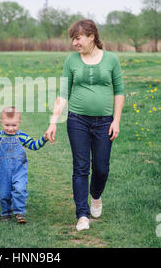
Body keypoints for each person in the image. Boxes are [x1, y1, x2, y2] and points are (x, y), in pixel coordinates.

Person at [45, 19, 125, 231]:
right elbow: (63, 93)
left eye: (78, 38)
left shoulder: (111, 60)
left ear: (91, 36)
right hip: (77, 120)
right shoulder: (71, 61)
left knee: (101, 168)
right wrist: (53, 121)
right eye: (73, 39)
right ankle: (82, 214)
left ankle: (96, 196)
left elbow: (119, 91)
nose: (74, 43)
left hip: (104, 121)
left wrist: (116, 120)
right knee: (80, 167)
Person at [0, 106, 48, 224]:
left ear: (19, 123)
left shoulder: (22, 136)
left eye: (14, 125)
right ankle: (6, 212)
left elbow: (34, 146)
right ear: (1, 122)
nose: (10, 128)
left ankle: (19, 212)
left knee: (20, 189)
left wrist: (44, 138)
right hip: (3, 170)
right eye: (7, 125)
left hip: (19, 169)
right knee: (4, 192)